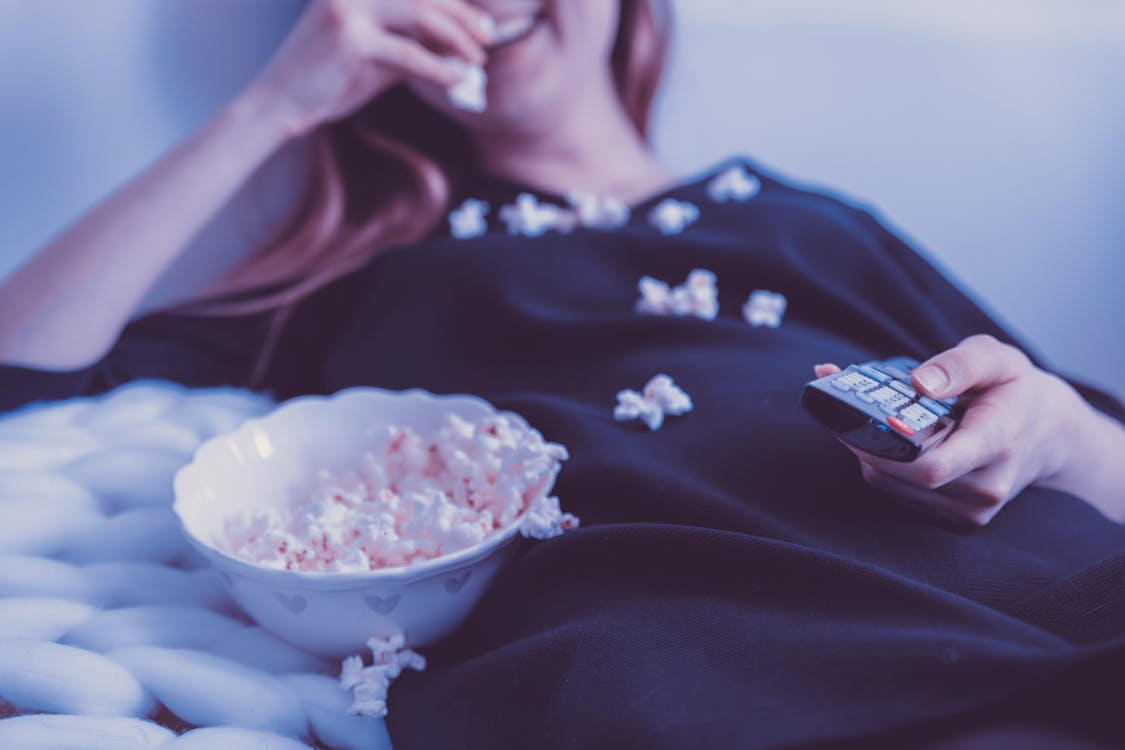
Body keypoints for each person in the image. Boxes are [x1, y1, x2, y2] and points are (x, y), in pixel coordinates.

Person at [1, 1, 1124, 747]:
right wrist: (274, 106)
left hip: (1040, 596)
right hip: (700, 670)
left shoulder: (812, 225)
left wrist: (1059, 432)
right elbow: (24, 372)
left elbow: (1098, 458)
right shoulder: (376, 276)